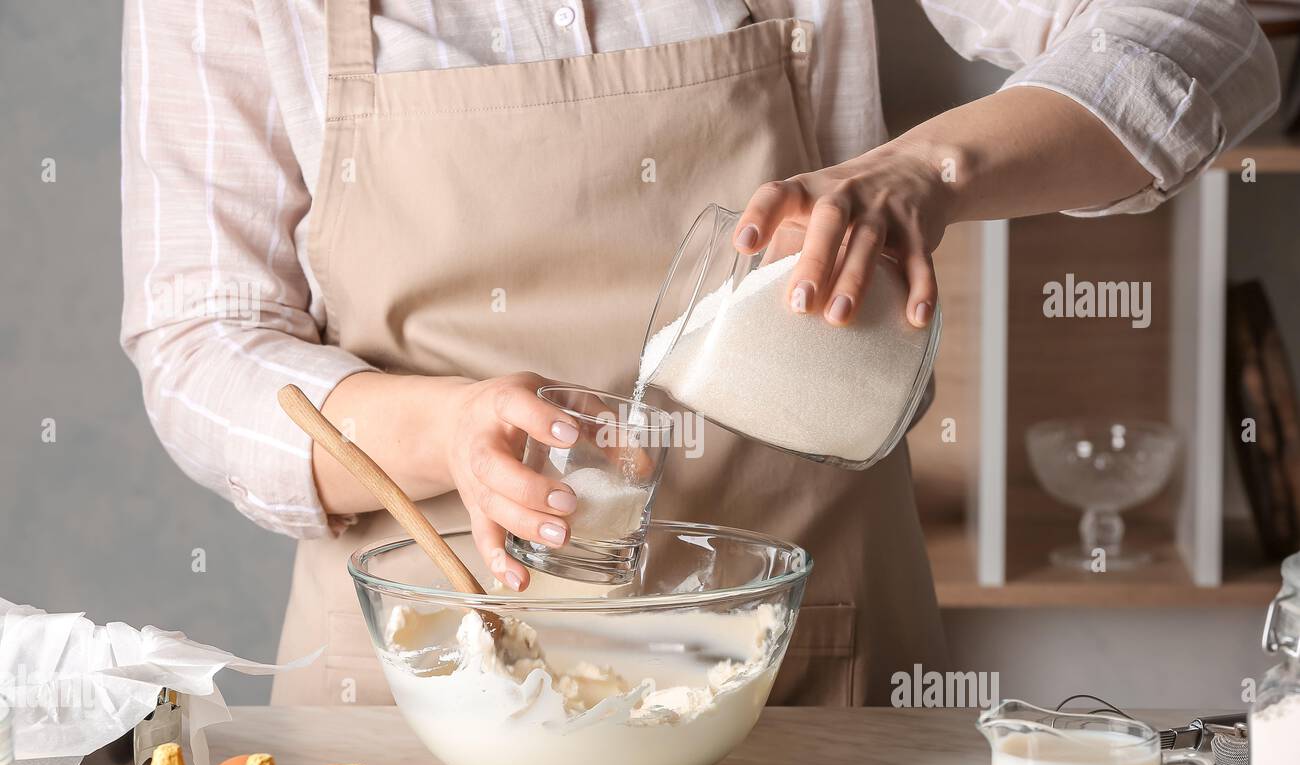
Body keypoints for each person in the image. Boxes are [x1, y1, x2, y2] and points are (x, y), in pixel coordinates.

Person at [121, 1, 1278, 706]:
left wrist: (932, 171)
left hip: (801, 677)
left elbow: (1204, 38)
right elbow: (196, 339)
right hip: (419, 703)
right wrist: (444, 428)